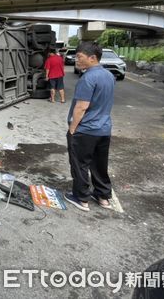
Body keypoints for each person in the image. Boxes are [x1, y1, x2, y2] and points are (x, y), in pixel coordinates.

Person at [65, 41, 115, 212]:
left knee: (80, 164)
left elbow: (81, 106)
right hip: (104, 129)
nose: (75, 60)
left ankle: (81, 198)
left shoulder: (87, 78)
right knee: (100, 164)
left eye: (79, 57)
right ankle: (103, 197)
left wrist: (72, 129)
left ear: (92, 58)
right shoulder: (109, 76)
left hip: (85, 130)